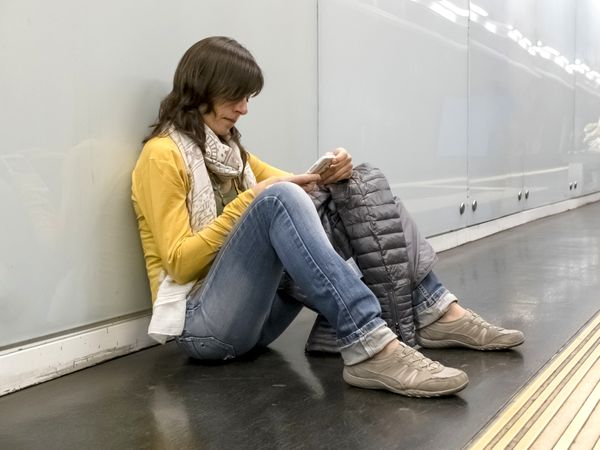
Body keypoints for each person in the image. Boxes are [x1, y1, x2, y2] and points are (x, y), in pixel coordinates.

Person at [131, 36, 524, 398]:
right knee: (278, 200)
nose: (244, 108)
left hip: (255, 319)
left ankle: (436, 309)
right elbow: (180, 264)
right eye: (235, 96)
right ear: (200, 89)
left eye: (247, 97)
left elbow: (303, 186)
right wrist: (247, 202)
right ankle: (370, 344)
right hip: (202, 328)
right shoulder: (162, 156)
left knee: (356, 184)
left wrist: (337, 170)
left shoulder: (230, 153)